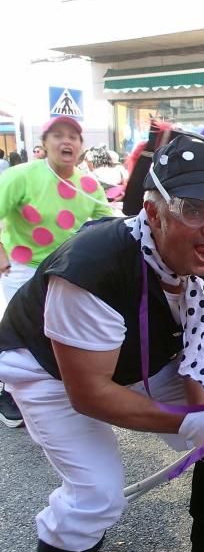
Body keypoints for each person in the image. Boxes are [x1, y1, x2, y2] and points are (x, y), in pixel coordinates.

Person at [0, 134, 204, 552]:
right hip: (50, 371)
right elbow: (91, 393)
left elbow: (203, 359)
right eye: (193, 210)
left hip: (147, 359)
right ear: (153, 211)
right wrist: (186, 421)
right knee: (98, 493)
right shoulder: (95, 266)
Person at [0, 116, 113, 429]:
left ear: (81, 147)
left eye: (74, 137)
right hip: (23, 267)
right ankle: (8, 390)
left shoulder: (88, 184)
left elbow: (107, 223)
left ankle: (59, 391)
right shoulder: (20, 176)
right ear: (44, 143)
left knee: (61, 333)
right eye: (58, 136)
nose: (67, 142)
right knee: (23, 334)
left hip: (66, 271)